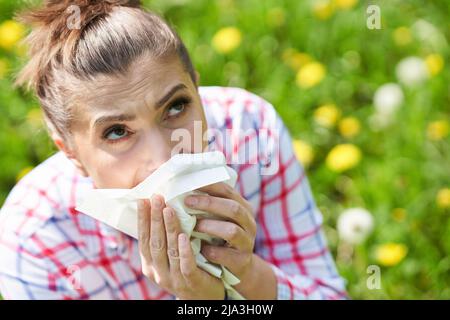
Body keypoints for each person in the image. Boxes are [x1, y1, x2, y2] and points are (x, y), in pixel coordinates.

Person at [0, 0, 346, 300]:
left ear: (197, 87)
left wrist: (245, 275)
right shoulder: (35, 238)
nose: (166, 159)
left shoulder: (251, 133)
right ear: (71, 153)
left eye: (176, 108)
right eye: (117, 132)